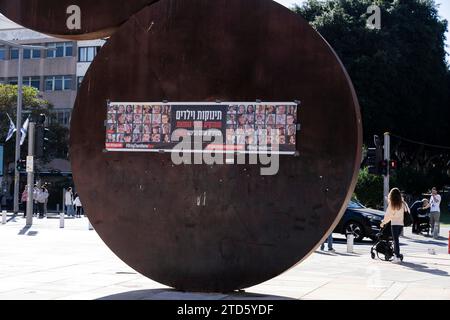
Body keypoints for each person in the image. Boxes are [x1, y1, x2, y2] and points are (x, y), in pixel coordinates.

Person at [381, 188, 408, 263]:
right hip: (401, 224)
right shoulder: (402, 203)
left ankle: (397, 257)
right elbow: (406, 210)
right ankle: (397, 255)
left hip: (394, 224)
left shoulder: (392, 204)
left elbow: (388, 216)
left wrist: (383, 223)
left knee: (395, 240)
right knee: (396, 240)